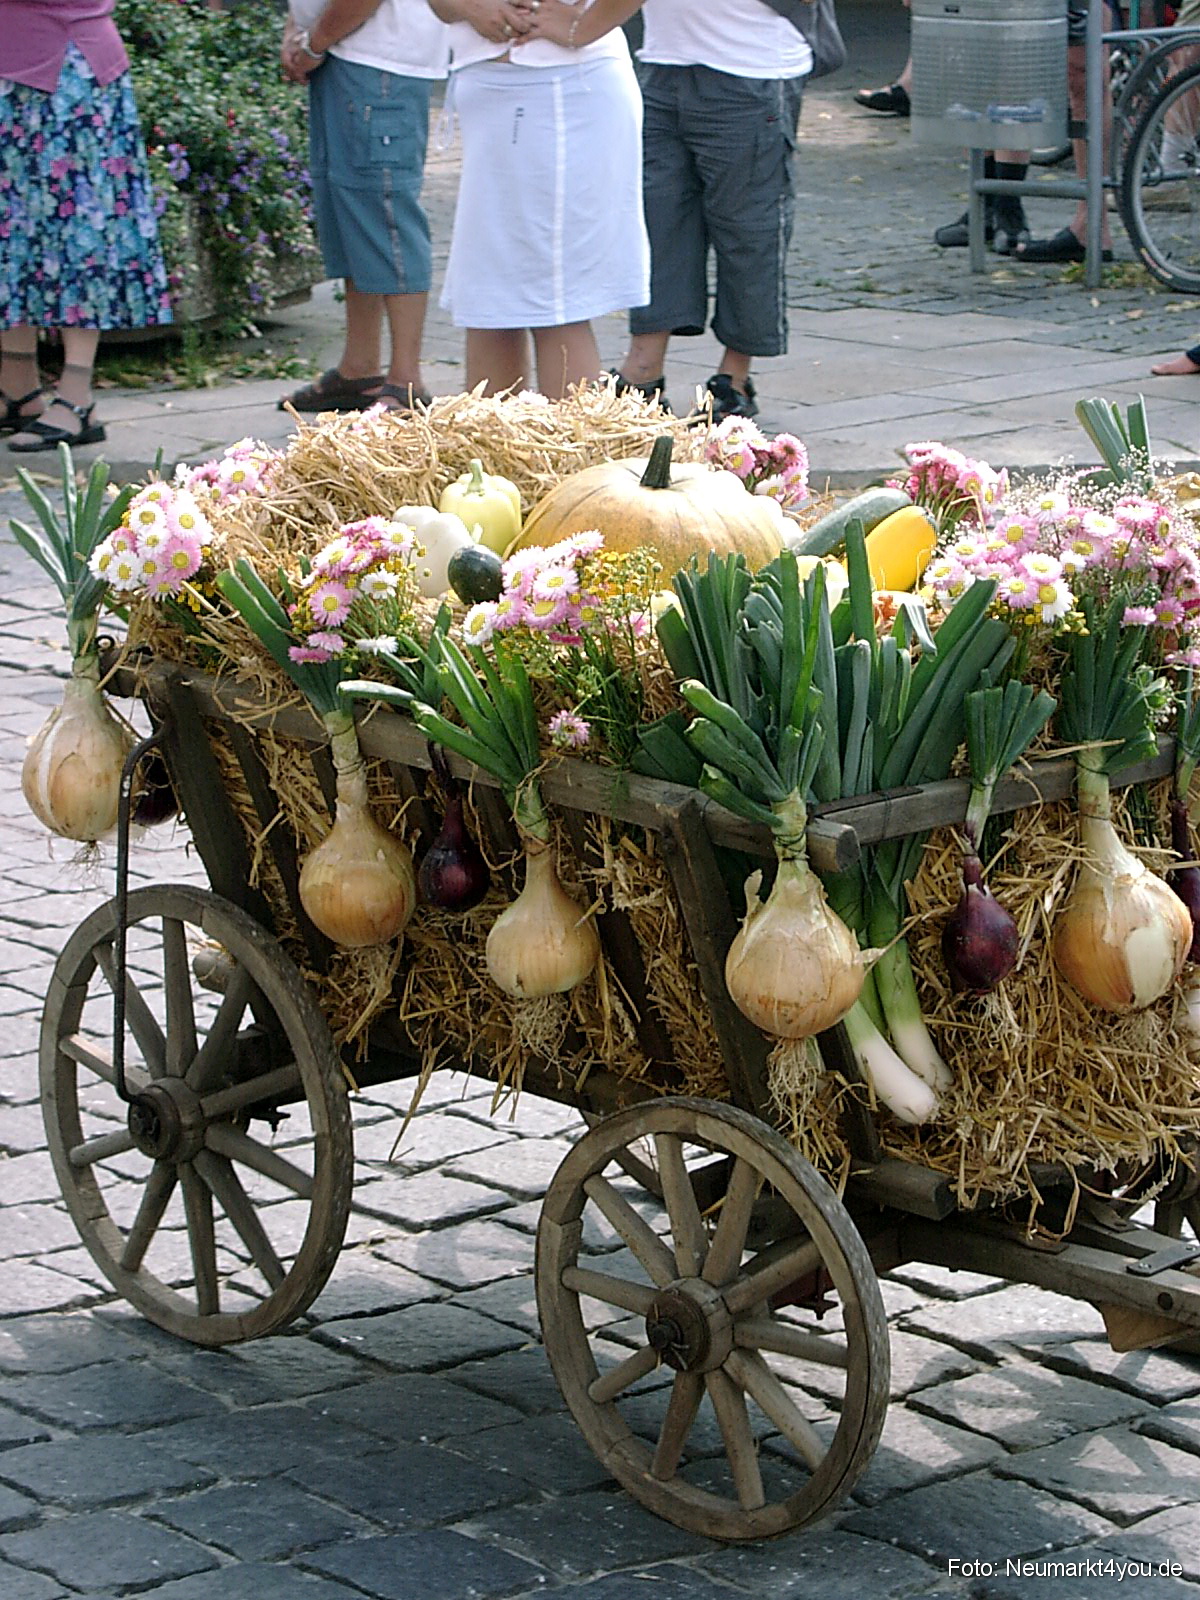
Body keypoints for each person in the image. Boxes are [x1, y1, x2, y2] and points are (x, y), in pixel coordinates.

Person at [528, 0, 812, 422]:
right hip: (663, 66)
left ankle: (733, 380)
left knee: (748, 232)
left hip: (752, 70)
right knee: (656, 225)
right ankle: (642, 371)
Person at [427, 0, 648, 400]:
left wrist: (585, 25)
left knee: (557, 305)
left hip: (565, 88)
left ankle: (579, 458)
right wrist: (471, 6)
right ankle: (494, 458)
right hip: (487, 90)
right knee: (488, 301)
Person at [0, 0, 172, 453]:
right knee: (12, 230)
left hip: (65, 72)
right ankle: (18, 387)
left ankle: (77, 397)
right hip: (19, 63)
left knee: (80, 233)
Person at [278, 0, 448, 413]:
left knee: (387, 216)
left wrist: (314, 43)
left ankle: (406, 380)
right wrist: (295, 30)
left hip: (379, 58)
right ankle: (360, 368)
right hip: (343, 50)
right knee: (350, 213)